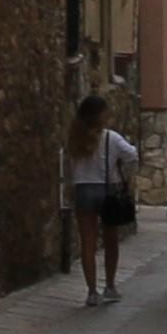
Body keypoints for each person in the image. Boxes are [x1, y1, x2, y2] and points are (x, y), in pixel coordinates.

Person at [63, 96, 136, 302]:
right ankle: (110, 286)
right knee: (111, 241)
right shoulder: (111, 138)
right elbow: (132, 155)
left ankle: (92, 292)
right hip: (107, 191)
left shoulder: (74, 138)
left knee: (88, 242)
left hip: (83, 190)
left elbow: (69, 165)